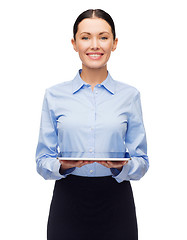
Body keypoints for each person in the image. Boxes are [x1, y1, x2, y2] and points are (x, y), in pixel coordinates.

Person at [35, 9, 149, 240]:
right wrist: (64, 165)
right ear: (74, 43)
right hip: (68, 202)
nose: (94, 45)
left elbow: (142, 161)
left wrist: (121, 167)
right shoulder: (54, 95)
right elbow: (42, 160)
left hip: (117, 203)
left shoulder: (130, 95)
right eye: (86, 37)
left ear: (114, 43)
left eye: (103, 37)